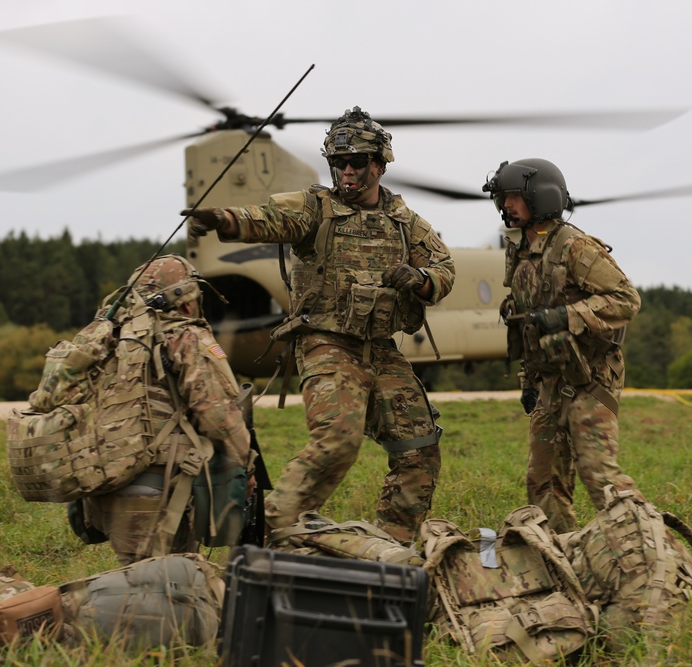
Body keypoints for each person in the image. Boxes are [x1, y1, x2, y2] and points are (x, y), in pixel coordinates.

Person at [182, 107, 455, 544]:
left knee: (420, 445)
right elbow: (268, 217)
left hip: (381, 348)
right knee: (339, 440)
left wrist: (421, 280)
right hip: (326, 343)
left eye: (358, 162)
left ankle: (394, 543)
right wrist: (222, 220)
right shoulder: (315, 209)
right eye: (340, 162)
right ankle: (265, 536)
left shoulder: (406, 224)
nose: (347, 171)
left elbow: (444, 269)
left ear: (380, 165)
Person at [483, 158, 643, 533]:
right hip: (549, 381)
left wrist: (568, 316)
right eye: (502, 198)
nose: (506, 205)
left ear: (539, 197)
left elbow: (626, 299)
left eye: (513, 197)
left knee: (598, 473)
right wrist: (528, 382)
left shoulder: (574, 246)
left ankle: (644, 545)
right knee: (542, 483)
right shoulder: (519, 251)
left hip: (590, 378)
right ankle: (562, 554)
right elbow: (526, 324)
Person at [78, 254, 253, 564]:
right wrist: (245, 467)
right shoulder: (187, 337)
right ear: (186, 302)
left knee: (137, 582)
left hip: (104, 485)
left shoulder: (106, 339)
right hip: (164, 490)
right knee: (169, 593)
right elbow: (218, 417)